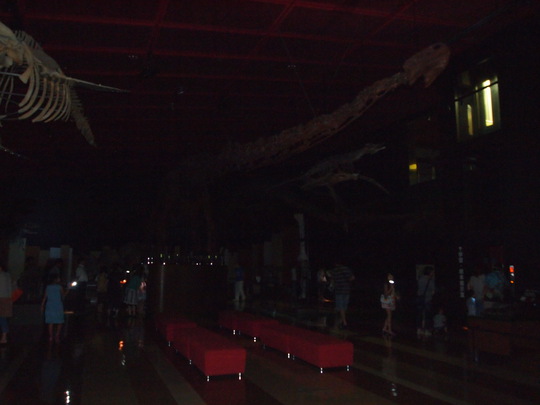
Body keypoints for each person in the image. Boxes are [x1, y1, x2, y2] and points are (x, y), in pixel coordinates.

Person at [41, 274, 67, 343]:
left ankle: (51, 336)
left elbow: (45, 297)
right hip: (58, 305)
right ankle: (57, 336)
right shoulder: (59, 287)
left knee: (50, 321)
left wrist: (42, 305)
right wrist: (68, 290)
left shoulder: (48, 287)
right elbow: (63, 296)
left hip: (50, 305)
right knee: (60, 321)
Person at [329, 262, 355, 329]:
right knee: (344, 306)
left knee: (340, 306)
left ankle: (342, 321)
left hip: (338, 290)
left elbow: (332, 281)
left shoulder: (334, 271)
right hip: (346, 290)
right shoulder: (346, 269)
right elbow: (352, 278)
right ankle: (343, 321)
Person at [416, 266, 435, 337]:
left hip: (420, 299)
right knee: (427, 316)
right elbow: (433, 291)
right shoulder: (430, 280)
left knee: (419, 315)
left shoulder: (420, 279)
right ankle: (426, 330)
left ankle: (419, 329)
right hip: (427, 299)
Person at [0, 264, 13, 344]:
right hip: (6, 298)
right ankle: (4, 337)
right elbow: (10, 288)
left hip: (1, 298)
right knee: (3, 318)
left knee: (2, 318)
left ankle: (4, 337)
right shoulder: (7, 275)